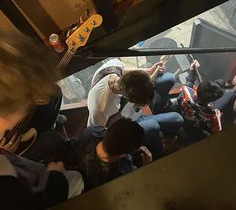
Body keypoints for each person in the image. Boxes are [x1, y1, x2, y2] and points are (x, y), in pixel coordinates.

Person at [0, 30, 83, 209]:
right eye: (28, 101)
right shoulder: (7, 192)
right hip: (48, 184)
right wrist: (55, 179)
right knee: (56, 141)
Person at [87, 58, 184, 138]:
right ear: (130, 99)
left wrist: (150, 70)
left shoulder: (113, 67)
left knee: (169, 78)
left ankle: (160, 110)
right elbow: (94, 133)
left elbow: (123, 70)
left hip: (128, 110)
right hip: (123, 122)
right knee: (175, 119)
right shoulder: (100, 108)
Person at [64, 118, 154, 191]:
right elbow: (139, 184)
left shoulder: (91, 132)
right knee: (153, 125)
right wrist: (147, 167)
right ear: (125, 154)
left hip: (85, 173)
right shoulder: (123, 172)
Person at [178, 60, 236, 138]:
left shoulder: (185, 91)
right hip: (194, 131)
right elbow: (216, 133)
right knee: (231, 93)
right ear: (211, 101)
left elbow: (188, 84)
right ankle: (229, 116)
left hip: (186, 116)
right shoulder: (212, 116)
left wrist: (192, 70)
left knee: (220, 82)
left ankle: (228, 86)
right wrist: (218, 117)